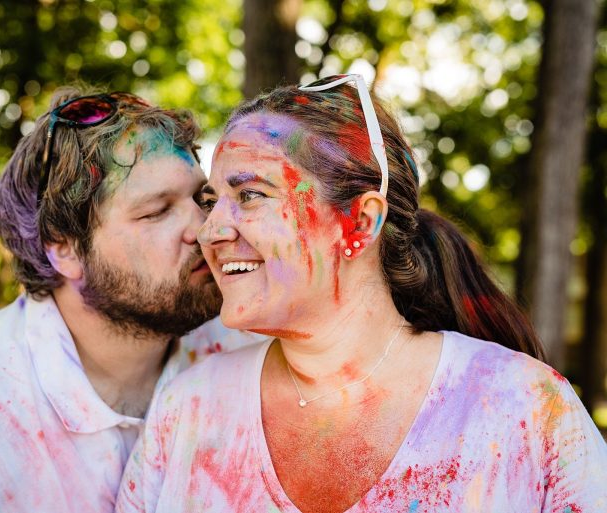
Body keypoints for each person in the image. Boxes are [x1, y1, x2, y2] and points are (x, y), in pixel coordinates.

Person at [116, 75, 607, 513]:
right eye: (213, 201)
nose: (210, 231)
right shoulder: (188, 410)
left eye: (250, 195)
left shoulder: (524, 410)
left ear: (360, 220)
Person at [0, 87, 261, 512]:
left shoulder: (248, 354)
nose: (207, 229)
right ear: (64, 248)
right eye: (156, 211)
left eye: (200, 199)